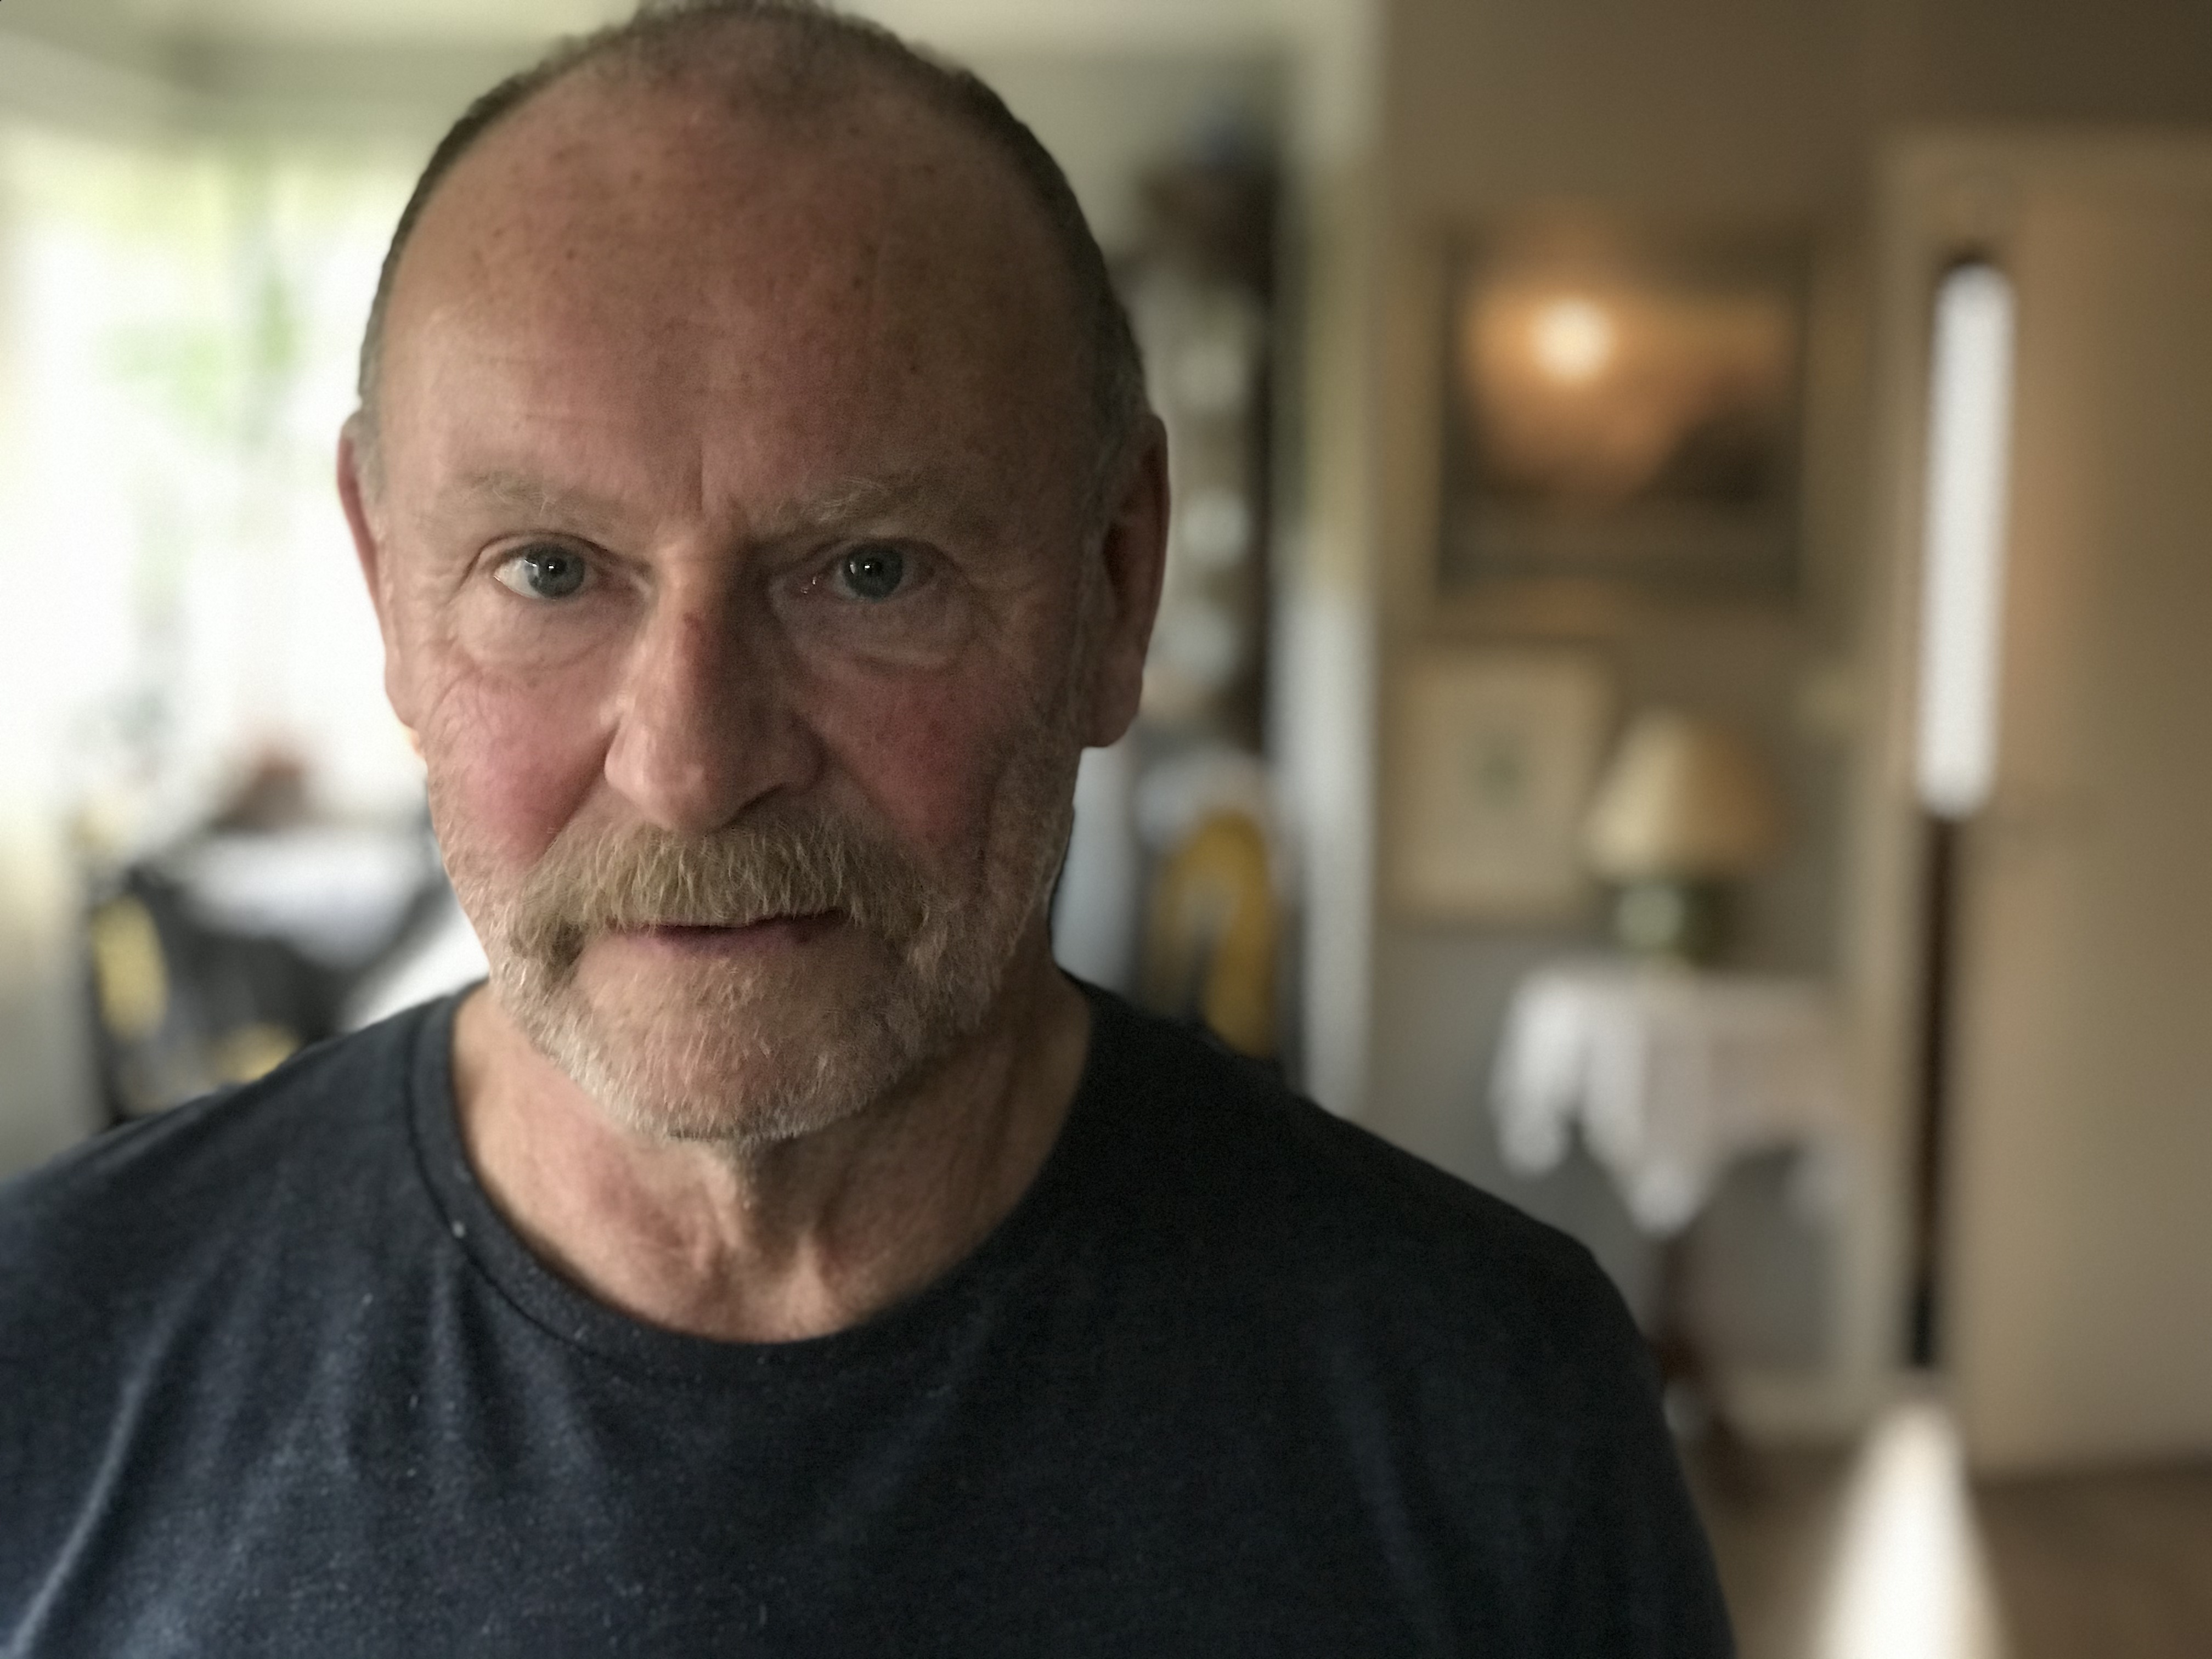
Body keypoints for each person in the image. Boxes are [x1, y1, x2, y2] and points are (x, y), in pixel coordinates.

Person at [0, 3, 1734, 1652]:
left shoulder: (1492, 1413)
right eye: (549, 572)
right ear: (387, 585)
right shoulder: (47, 1348)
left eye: (871, 573)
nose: (693, 767)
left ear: (1116, 586)